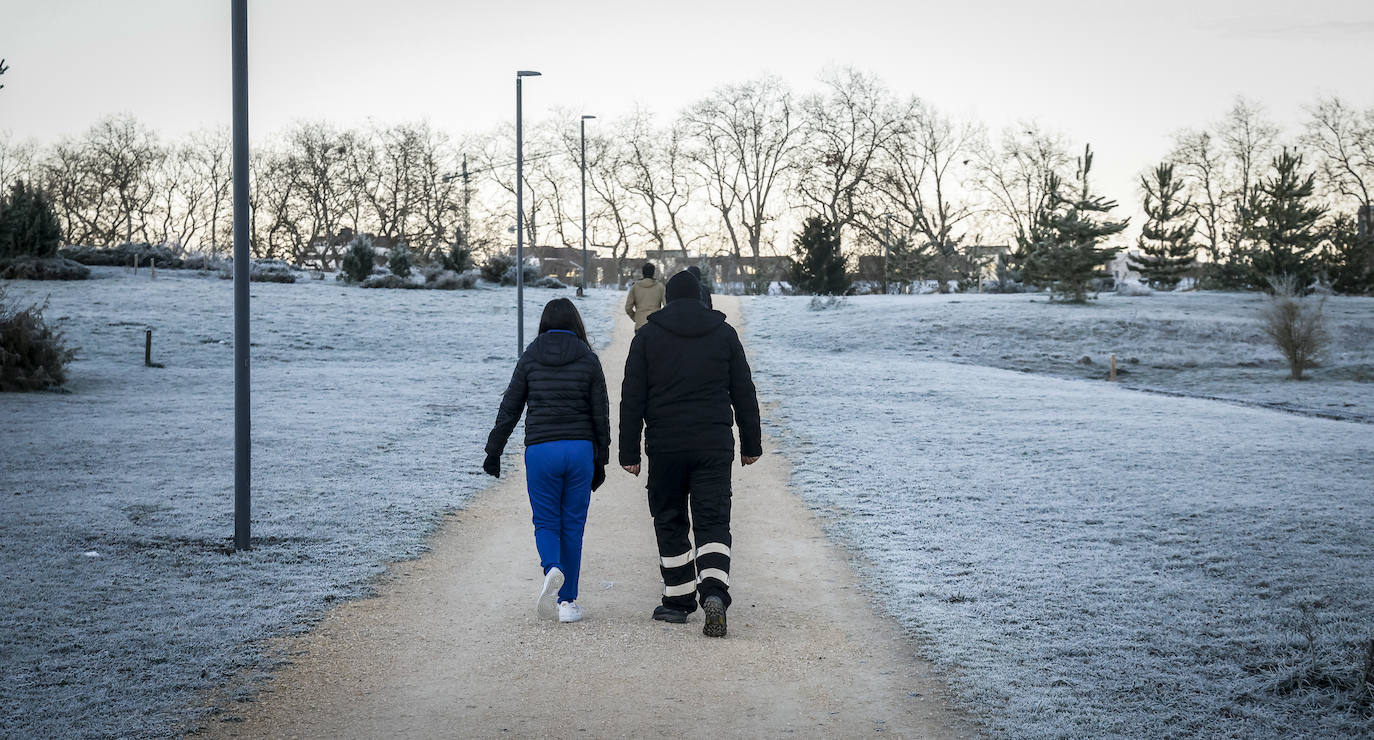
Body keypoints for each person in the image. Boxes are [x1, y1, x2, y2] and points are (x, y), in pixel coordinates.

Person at [619, 270, 761, 637]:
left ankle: (677, 600)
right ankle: (713, 590)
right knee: (713, 519)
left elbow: (632, 398)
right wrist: (751, 444)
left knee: (669, 517)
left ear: (668, 300)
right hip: (713, 444)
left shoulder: (647, 336)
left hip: (666, 445)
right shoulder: (724, 334)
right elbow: (744, 391)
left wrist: (629, 452)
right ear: (700, 298)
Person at [484, 298, 610, 624]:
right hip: (580, 449)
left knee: (545, 521)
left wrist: (494, 450)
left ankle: (551, 567)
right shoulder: (588, 358)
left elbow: (510, 406)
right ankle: (567, 603)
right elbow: (601, 414)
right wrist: (603, 458)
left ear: (544, 323)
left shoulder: (530, 357)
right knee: (573, 526)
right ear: (576, 323)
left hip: (541, 450)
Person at [624, 262, 665, 330]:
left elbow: (628, 308)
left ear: (643, 273)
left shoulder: (635, 287)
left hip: (640, 325)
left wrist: (635, 317)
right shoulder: (660, 287)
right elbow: (667, 306)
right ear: (653, 272)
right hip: (656, 325)